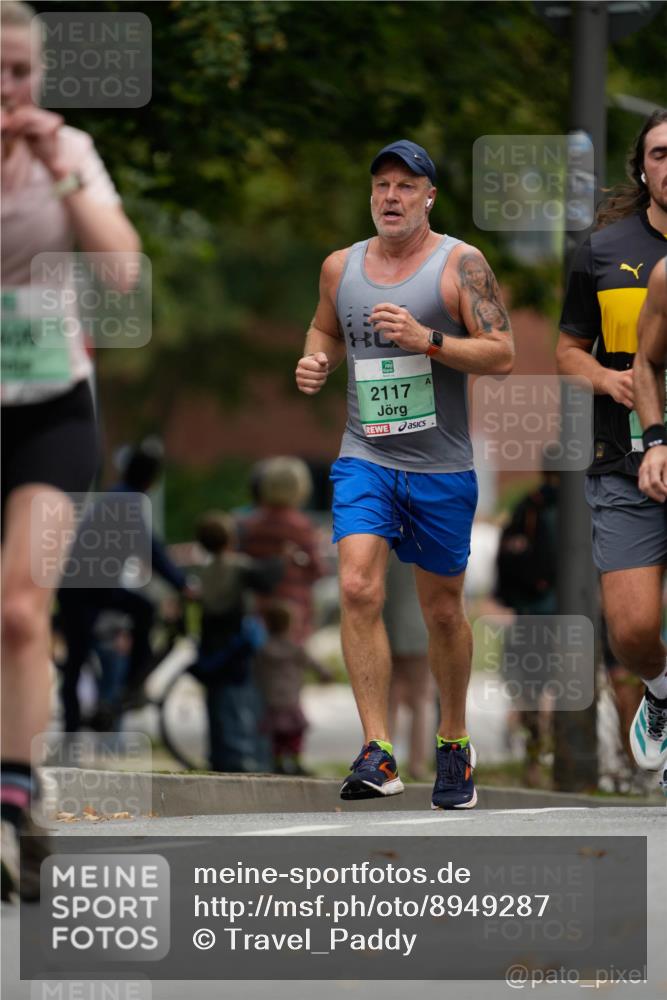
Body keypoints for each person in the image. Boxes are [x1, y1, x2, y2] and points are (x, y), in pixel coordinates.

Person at [295, 139, 514, 808]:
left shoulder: (461, 265)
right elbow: (325, 330)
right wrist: (317, 360)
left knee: (442, 610)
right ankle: (378, 750)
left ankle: (453, 741)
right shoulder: (341, 267)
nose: (391, 196)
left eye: (406, 186)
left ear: (429, 197)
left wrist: (429, 341)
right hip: (365, 455)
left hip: (441, 466)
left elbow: (501, 353)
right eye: (382, 185)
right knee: (357, 586)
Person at [0, 1, 141, 900]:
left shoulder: (72, 154)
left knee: (21, 610)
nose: (7, 89)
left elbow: (122, 270)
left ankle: (13, 798)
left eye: (20, 72)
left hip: (50, 405)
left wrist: (58, 171)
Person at [556, 111, 667, 779]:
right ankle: (661, 693)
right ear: (642, 168)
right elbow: (567, 350)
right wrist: (605, 378)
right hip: (623, 458)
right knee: (630, 630)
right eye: (660, 154)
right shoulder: (601, 251)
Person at [56, 439, 197, 733]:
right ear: (152, 478)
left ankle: (84, 720)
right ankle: (129, 685)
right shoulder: (128, 501)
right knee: (137, 615)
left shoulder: (118, 496)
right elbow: (150, 549)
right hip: (86, 589)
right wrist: (182, 584)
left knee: (78, 657)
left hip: (82, 586)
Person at [193, 510, 283, 772]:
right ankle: (240, 755)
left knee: (216, 701)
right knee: (239, 700)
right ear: (230, 538)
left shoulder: (204, 571)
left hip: (211, 644)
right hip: (236, 644)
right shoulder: (238, 566)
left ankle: (219, 755)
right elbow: (266, 580)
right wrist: (281, 559)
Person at [240, 456, 326, 647]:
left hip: (261, 605)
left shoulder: (250, 524)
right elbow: (317, 569)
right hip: (294, 605)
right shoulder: (301, 526)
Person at [253, 600, 333, 776]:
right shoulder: (295, 649)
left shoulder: (263, 650)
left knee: (277, 734)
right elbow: (313, 664)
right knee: (295, 732)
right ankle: (296, 761)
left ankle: (278, 761)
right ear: (289, 625)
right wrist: (325, 674)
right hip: (291, 699)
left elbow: (255, 671)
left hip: (272, 700)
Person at [383, 553, 435, 782]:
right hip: (420, 624)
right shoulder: (426, 544)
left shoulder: (386, 544)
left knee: (389, 698)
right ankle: (417, 764)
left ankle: (383, 761)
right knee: (421, 700)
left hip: (388, 622)